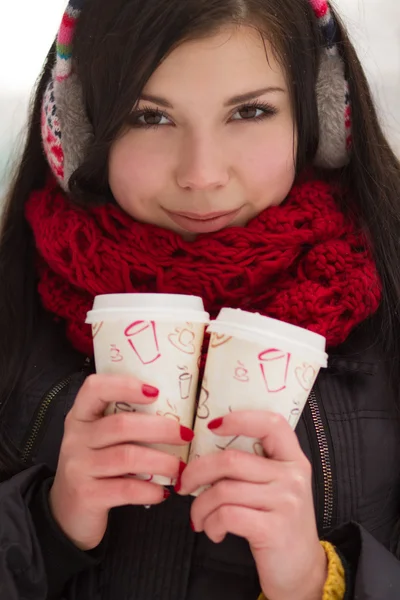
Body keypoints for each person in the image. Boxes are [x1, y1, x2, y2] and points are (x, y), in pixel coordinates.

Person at [1, 0, 400, 598]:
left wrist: (316, 579)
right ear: (82, 131)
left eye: (250, 110)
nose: (202, 174)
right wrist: (46, 527)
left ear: (321, 117)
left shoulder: (389, 290)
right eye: (149, 117)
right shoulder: (14, 292)